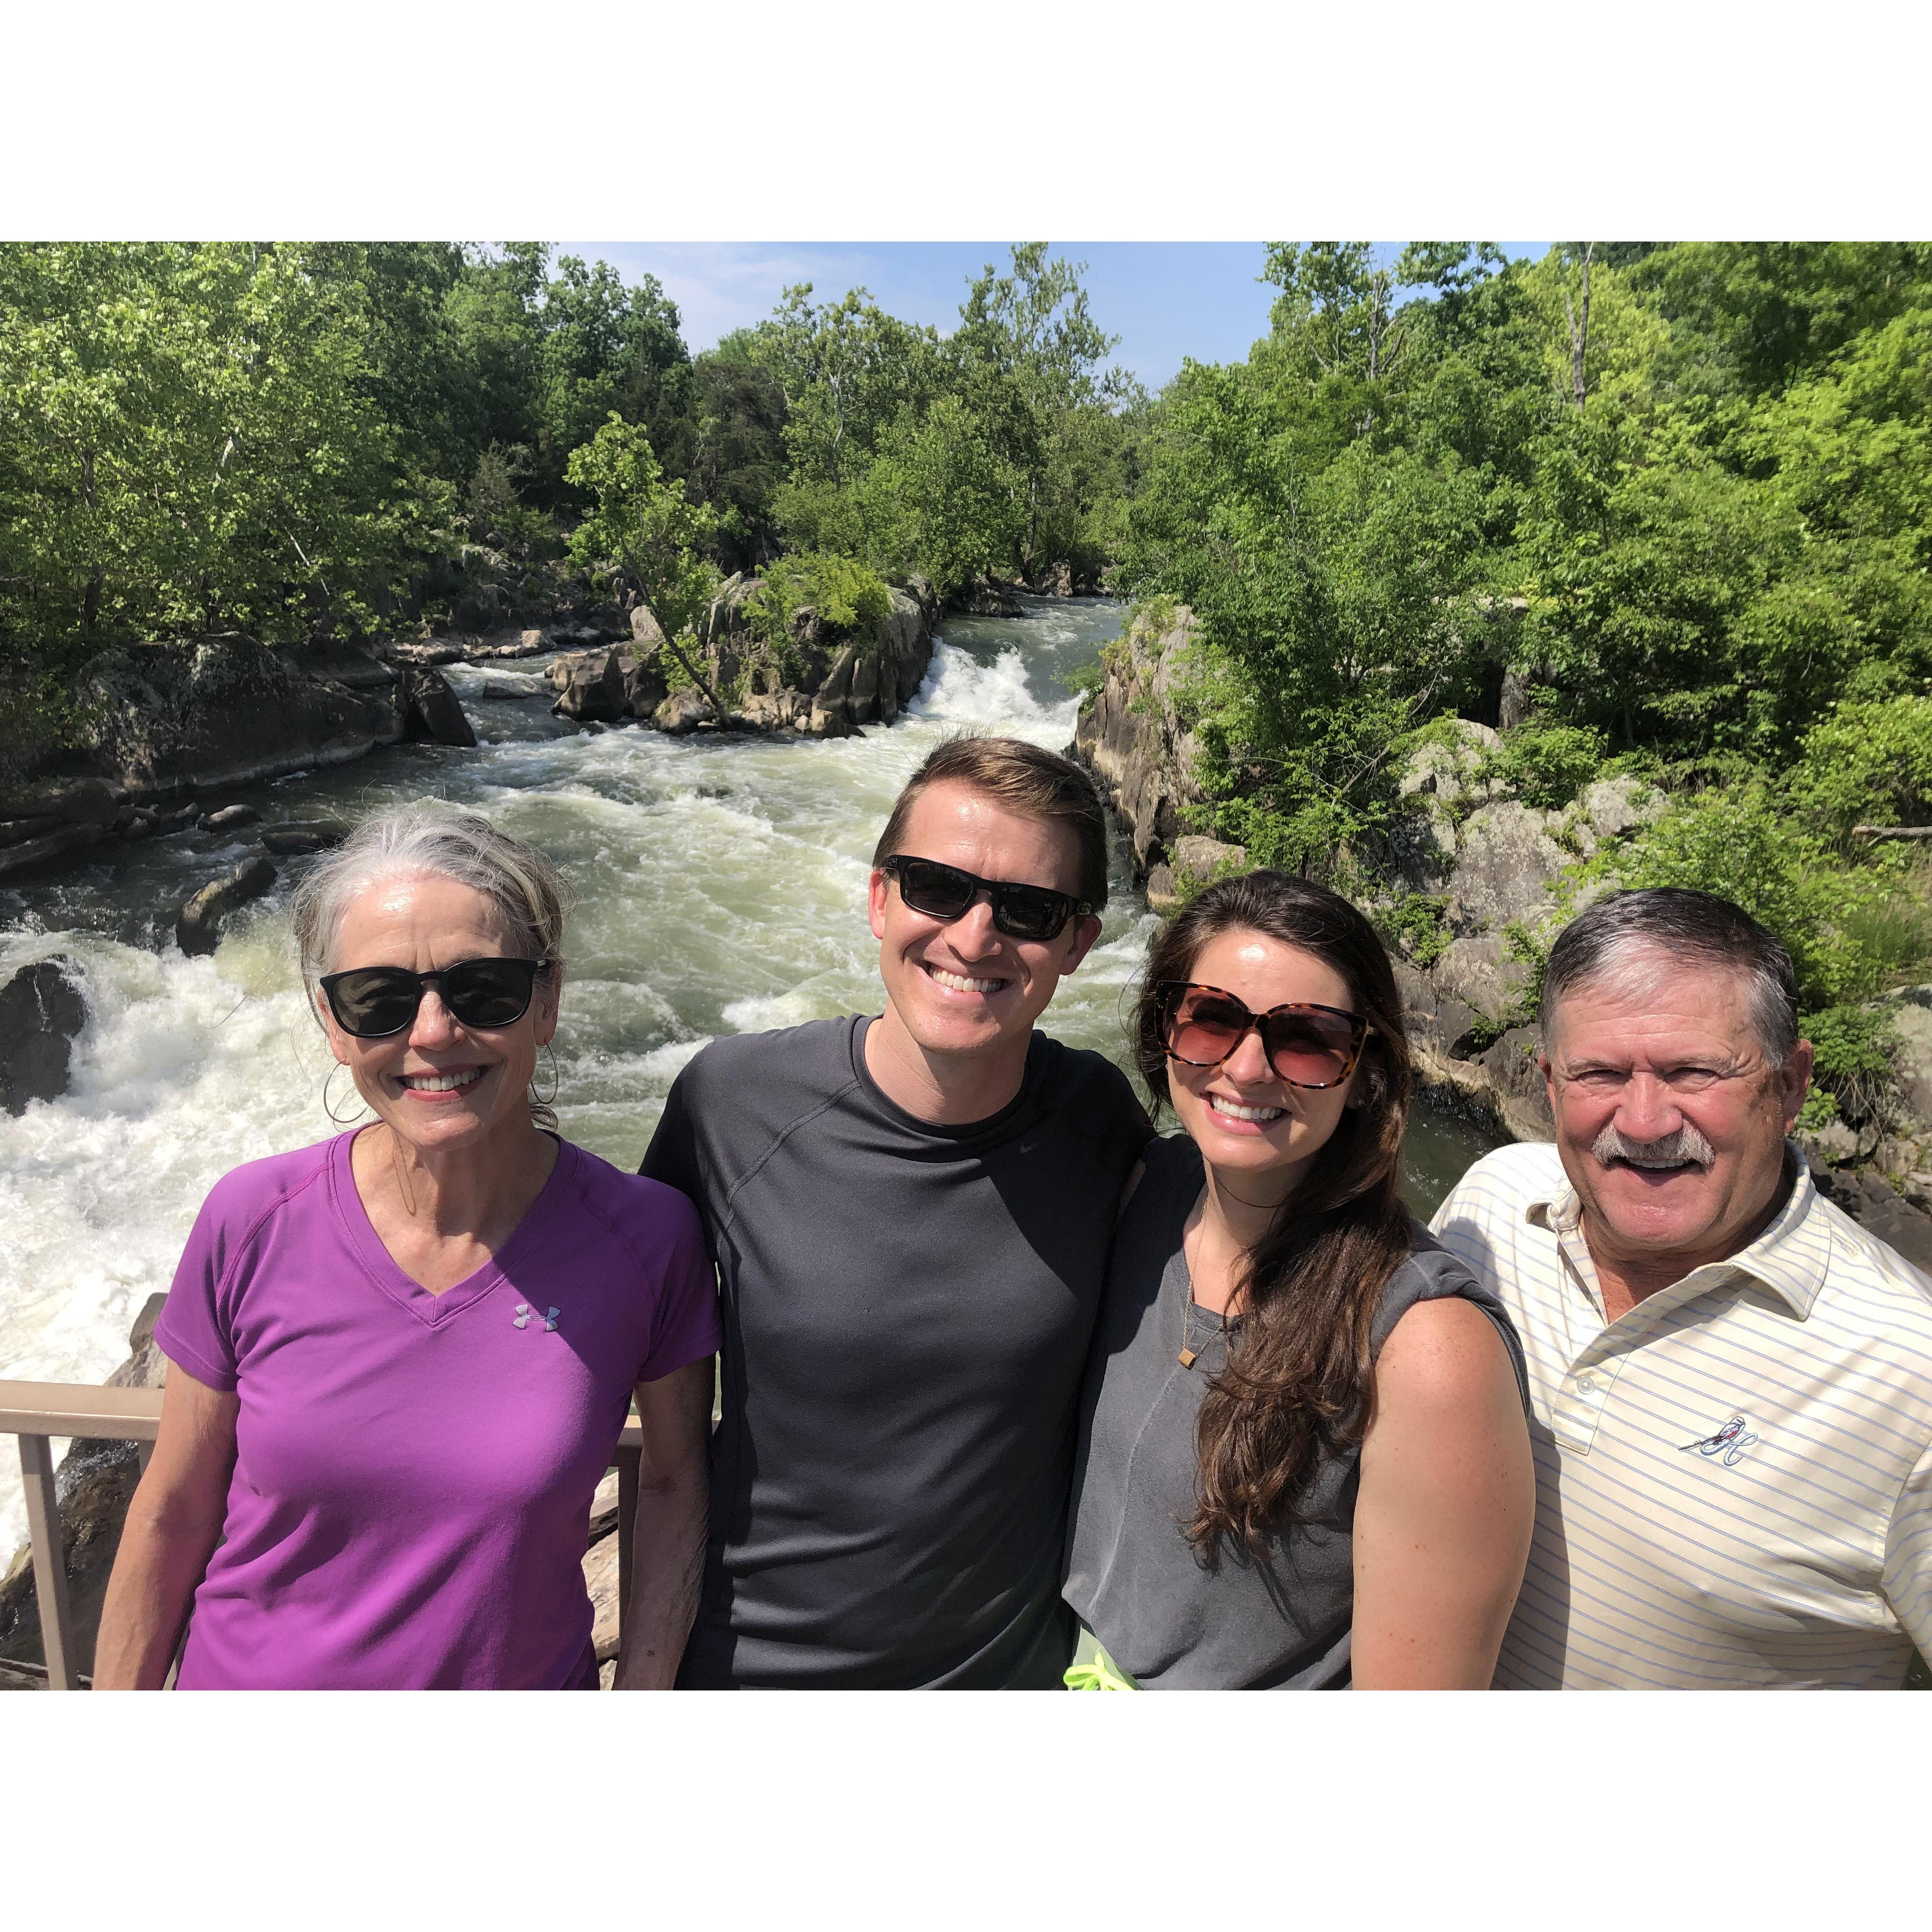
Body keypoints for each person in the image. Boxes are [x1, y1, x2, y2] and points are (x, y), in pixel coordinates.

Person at [94, 805, 719, 1690]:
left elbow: (670, 1486)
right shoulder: (250, 1221)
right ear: (332, 1021)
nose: (431, 1034)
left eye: (484, 990)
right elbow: (174, 1508)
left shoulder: (648, 1241)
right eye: (381, 1000)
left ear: (547, 1002)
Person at [641, 734, 1154, 1687]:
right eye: (937, 887)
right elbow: (632, 1388)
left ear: (1080, 943)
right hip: (752, 1676)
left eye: (1031, 910)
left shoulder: (1098, 1121)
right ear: (880, 898)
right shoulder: (731, 1105)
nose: (974, 936)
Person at [1431, 886, 1932, 1689]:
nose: (1645, 1121)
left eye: (1694, 1071)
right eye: (1598, 1073)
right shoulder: (1491, 1204)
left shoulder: (1909, 1371)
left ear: (1792, 1084)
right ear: (1550, 1084)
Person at [1063, 871, 1535, 1688]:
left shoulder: (1427, 1350)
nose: (1247, 1069)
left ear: (1367, 1073)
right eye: (1211, 1019)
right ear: (1162, 1032)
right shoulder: (1148, 1189)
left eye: (1307, 1037)